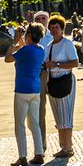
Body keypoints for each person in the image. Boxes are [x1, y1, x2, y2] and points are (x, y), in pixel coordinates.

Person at [4, 23, 46, 166]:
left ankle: (22, 156)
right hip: (35, 90)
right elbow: (25, 48)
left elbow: (8, 58)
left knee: (20, 124)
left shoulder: (26, 50)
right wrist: (22, 39)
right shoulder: (40, 49)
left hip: (22, 90)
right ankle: (39, 153)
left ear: (29, 35)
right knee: (34, 123)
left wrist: (15, 41)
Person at [45, 14, 79, 158]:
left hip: (65, 80)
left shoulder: (67, 43)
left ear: (62, 28)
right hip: (52, 82)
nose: (54, 30)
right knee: (58, 115)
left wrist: (57, 64)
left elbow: (75, 63)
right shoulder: (49, 45)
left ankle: (68, 147)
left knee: (66, 114)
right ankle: (62, 146)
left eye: (56, 27)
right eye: (52, 28)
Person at [33, 10, 53, 151]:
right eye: (38, 18)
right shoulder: (31, 37)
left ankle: (65, 142)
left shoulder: (54, 35)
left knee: (59, 108)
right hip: (39, 74)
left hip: (55, 74)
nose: (41, 20)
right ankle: (42, 143)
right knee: (39, 112)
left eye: (43, 18)